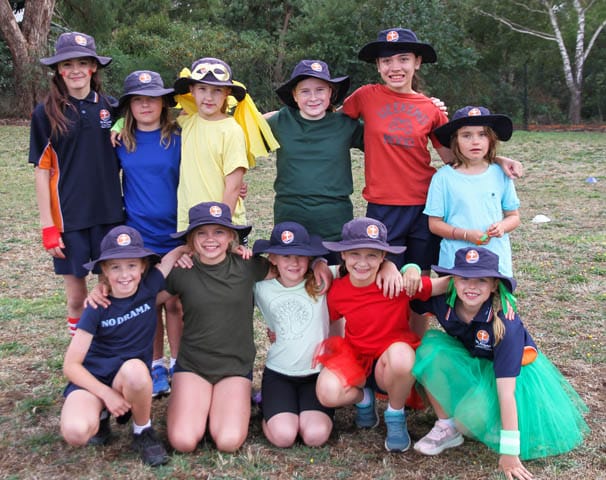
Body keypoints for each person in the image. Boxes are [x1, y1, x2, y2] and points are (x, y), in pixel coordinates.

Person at [341, 27, 522, 335]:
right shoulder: (365, 97)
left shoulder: (430, 109)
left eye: (403, 59)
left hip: (424, 206)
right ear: (378, 66)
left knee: (420, 283)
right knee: (383, 276)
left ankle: (417, 344)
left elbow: (455, 155)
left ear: (417, 63)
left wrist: (497, 160)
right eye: (386, 61)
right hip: (383, 206)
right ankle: (383, 342)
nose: (395, 67)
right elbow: (327, 121)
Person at [411, 247, 589, 479]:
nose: (472, 287)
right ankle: (447, 426)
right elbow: (408, 294)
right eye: (464, 278)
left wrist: (509, 452)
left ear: (494, 285)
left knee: (468, 422)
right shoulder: (444, 301)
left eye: (481, 280)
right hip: (476, 362)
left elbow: (507, 392)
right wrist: (410, 269)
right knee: (429, 347)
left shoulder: (505, 323)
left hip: (512, 377)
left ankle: (490, 421)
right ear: (451, 281)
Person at [313, 217, 450, 452]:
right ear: (343, 255)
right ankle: (364, 399)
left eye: (372, 255)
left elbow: (443, 285)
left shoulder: (397, 284)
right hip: (358, 360)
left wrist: (414, 270)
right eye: (355, 254)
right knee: (326, 393)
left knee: (401, 357)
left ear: (383, 257)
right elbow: (335, 324)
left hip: (390, 364)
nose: (362, 263)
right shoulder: (338, 291)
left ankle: (395, 414)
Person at [60, 225, 188, 467]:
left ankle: (143, 430)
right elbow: (71, 365)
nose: (124, 274)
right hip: (94, 378)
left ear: (143, 267)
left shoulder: (149, 286)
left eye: (131, 265)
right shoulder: (97, 305)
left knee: (136, 371)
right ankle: (102, 413)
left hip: (128, 376)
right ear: (104, 270)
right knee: (76, 432)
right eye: (115, 267)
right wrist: (106, 394)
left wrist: (188, 248)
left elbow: (173, 256)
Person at [29, 32, 124, 336]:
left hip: (110, 214)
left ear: (93, 67)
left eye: (83, 63)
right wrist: (48, 226)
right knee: (76, 299)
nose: (75, 70)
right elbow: (42, 170)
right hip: (69, 219)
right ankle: (80, 352)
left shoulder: (112, 108)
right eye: (67, 64)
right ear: (58, 69)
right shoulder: (45, 113)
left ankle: (109, 350)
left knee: (111, 292)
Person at [161, 202, 273, 453]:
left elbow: (289, 269)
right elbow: (145, 297)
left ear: (231, 236)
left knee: (228, 441)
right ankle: (198, 407)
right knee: (183, 442)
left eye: (219, 232)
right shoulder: (183, 270)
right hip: (193, 366)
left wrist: (320, 265)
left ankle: (223, 406)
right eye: (201, 233)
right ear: (191, 238)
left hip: (234, 367)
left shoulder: (246, 265)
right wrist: (175, 254)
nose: (210, 239)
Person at [115, 70, 182, 397]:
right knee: (150, 302)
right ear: (129, 106)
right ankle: (156, 364)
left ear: (163, 103)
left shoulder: (178, 137)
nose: (145, 105)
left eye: (152, 99)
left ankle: (179, 363)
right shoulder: (121, 141)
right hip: (139, 235)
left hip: (176, 232)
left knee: (176, 302)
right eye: (138, 100)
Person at [265, 60, 363, 256]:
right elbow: (239, 138)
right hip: (290, 217)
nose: (313, 98)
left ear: (331, 92)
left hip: (334, 221)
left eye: (320, 90)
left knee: (332, 271)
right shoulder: (279, 121)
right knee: (293, 270)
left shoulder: (346, 125)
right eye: (305, 91)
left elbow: (383, 144)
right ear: (294, 95)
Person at [253, 221, 337, 448]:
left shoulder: (322, 279)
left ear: (309, 257)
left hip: (316, 375)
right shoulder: (260, 287)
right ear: (272, 258)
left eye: (301, 255)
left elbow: (359, 266)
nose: (294, 262)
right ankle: (268, 406)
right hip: (279, 373)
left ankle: (305, 411)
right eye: (286, 256)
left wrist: (321, 262)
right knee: (284, 437)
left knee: (315, 437)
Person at [172, 57, 277, 232]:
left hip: (222, 223)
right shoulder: (187, 122)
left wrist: (221, 226)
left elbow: (234, 187)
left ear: (227, 93)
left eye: (217, 90)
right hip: (190, 221)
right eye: (202, 88)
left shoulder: (231, 131)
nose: (209, 97)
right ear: (192, 90)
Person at [425, 106, 520, 276]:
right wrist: (465, 235)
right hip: (454, 262)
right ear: (455, 141)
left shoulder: (501, 174)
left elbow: (513, 216)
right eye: (466, 135)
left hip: (495, 261)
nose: (475, 141)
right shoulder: (442, 178)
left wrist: (502, 227)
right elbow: (435, 224)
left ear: (491, 139)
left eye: (482, 134)